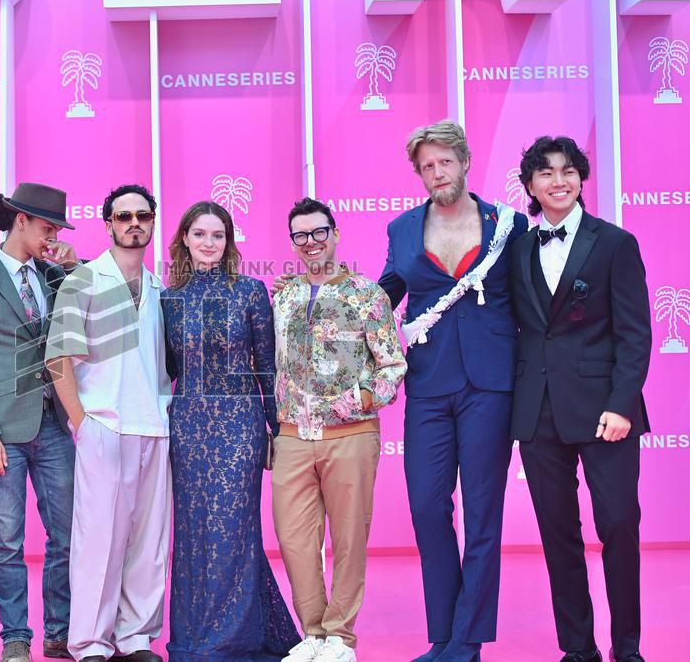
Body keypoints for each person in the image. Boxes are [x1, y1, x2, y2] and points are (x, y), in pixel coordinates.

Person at [377, 122, 529, 662]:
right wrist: (335, 301)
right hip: (429, 383)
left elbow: (529, 300)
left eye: (444, 162)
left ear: (463, 162)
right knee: (425, 507)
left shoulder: (507, 225)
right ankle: (443, 633)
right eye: (426, 167)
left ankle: (465, 642)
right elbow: (385, 293)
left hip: (491, 381)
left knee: (484, 512)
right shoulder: (401, 228)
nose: (436, 173)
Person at [510, 136, 650, 662]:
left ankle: (627, 647)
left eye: (568, 171)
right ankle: (577, 648)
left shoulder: (615, 243)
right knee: (558, 535)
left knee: (618, 525)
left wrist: (621, 403)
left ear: (582, 179)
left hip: (605, 411)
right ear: (530, 185)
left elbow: (635, 335)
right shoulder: (519, 248)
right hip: (538, 410)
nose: (558, 181)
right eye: (545, 173)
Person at [161, 201, 300, 661]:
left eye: (217, 236)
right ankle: (195, 631)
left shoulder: (250, 292)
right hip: (187, 425)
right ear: (184, 238)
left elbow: (267, 367)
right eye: (200, 234)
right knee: (194, 532)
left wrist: (276, 428)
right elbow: (164, 368)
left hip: (240, 428)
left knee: (235, 529)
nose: (208, 243)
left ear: (229, 241)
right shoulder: (169, 298)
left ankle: (230, 637)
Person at [272, 198, 406, 662]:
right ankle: (312, 633)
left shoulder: (368, 295)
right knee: (293, 540)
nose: (311, 242)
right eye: (301, 235)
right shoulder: (283, 296)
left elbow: (393, 366)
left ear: (336, 233)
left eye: (318, 232)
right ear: (292, 241)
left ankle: (340, 637)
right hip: (290, 436)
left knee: (349, 539)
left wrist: (357, 402)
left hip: (351, 436)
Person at [0, 183, 79, 662]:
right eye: (48, 227)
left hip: (54, 425)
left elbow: (98, 305)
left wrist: (73, 265)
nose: (52, 236)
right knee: (6, 542)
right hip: (1, 432)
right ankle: (15, 639)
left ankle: (59, 632)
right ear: (20, 221)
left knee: (66, 536)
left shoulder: (54, 276)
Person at [46, 184, 172, 662]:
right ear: (109, 224)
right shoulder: (84, 280)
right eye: (124, 217)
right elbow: (59, 358)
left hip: (154, 427)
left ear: (153, 222)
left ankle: (136, 637)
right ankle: (90, 642)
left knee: (148, 543)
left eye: (142, 215)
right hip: (102, 424)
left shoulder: (161, 287)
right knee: (98, 540)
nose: (133, 223)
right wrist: (81, 423)